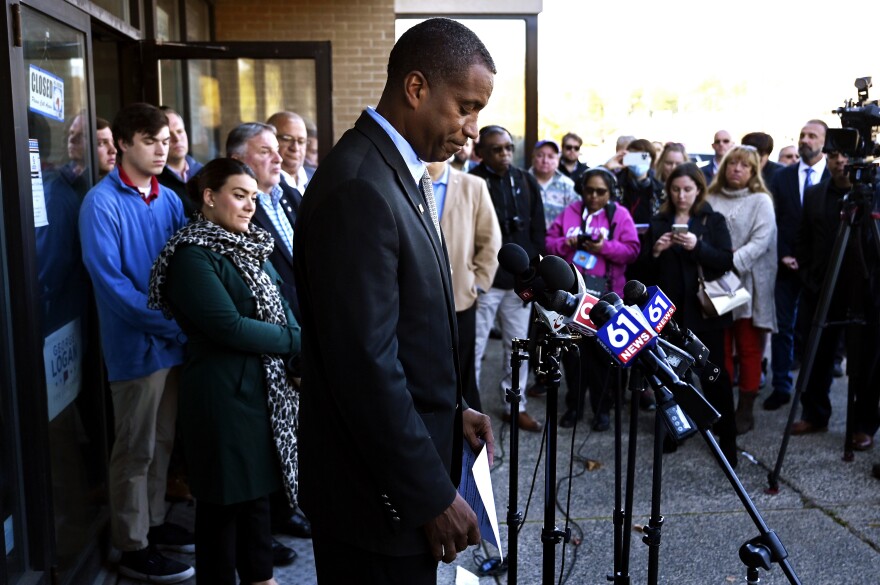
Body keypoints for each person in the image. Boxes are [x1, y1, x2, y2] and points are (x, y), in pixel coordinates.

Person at [292, 18, 496, 583]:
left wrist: (453, 414)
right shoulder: (360, 184)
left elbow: (406, 334)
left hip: (393, 489)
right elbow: (365, 367)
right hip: (376, 506)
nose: (473, 128)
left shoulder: (394, 171)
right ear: (415, 89)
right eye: (466, 106)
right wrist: (430, 495)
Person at [147, 158, 301, 585]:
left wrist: (295, 342)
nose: (250, 205)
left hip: (263, 393)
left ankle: (260, 578)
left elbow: (283, 303)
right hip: (222, 398)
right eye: (239, 195)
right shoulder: (190, 255)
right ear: (210, 198)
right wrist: (297, 342)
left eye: (253, 197)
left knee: (254, 500)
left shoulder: (251, 245)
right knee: (222, 506)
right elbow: (228, 327)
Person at [78, 103, 194, 582]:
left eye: (165, 140)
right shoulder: (100, 204)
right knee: (134, 448)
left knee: (162, 441)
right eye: (150, 141)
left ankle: (154, 523)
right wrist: (174, 322)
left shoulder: (168, 199)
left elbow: (181, 269)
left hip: (172, 346)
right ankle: (130, 546)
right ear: (124, 144)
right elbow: (113, 286)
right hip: (135, 349)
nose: (160, 149)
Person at [226, 122, 309, 557]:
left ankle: (285, 510)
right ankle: (261, 536)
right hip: (269, 342)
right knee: (262, 439)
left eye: (279, 150)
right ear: (240, 160)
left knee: (287, 431)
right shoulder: (234, 217)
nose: (279, 158)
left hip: (296, 338)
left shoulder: (288, 199)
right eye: (266, 151)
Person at [648, 163, 737, 466]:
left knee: (714, 376)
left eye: (687, 189)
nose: (681, 195)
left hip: (704, 311)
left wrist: (698, 246)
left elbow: (725, 260)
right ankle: (676, 432)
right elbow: (642, 273)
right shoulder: (660, 221)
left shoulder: (711, 220)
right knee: (672, 375)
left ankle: (727, 438)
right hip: (668, 314)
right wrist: (657, 252)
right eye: (675, 190)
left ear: (698, 189)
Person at [791, 150, 880, 449]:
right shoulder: (815, 194)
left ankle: (864, 425)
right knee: (816, 355)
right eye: (835, 156)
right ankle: (814, 414)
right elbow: (803, 238)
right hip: (822, 287)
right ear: (827, 160)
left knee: (866, 360)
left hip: (865, 290)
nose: (841, 162)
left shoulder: (875, 195)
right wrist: (807, 275)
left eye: (847, 157)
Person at [545, 167, 640, 430]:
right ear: (581, 190)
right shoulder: (571, 211)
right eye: (589, 190)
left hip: (606, 299)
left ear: (610, 193)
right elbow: (550, 243)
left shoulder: (619, 215)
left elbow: (632, 250)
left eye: (601, 192)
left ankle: (602, 409)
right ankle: (574, 406)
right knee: (573, 357)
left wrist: (603, 247)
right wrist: (568, 242)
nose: (594, 196)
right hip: (574, 298)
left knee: (602, 359)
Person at [470, 124, 546, 432]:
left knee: (519, 349)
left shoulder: (525, 180)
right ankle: (469, 409)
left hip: (520, 283)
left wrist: (533, 269)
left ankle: (515, 407)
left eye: (508, 148)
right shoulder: (472, 181)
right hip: (485, 282)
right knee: (473, 349)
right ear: (481, 153)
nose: (504, 154)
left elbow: (537, 230)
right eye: (496, 149)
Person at [705, 145, 777, 434]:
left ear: (753, 171)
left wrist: (729, 262)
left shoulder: (761, 200)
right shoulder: (710, 197)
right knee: (719, 348)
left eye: (745, 165)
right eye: (732, 163)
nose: (737, 169)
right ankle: (720, 406)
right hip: (715, 282)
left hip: (746, 283)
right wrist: (716, 263)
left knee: (748, 348)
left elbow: (760, 242)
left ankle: (745, 408)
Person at [427, 159, 502, 412]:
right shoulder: (405, 182)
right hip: (416, 302)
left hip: (461, 299)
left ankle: (470, 444)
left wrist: (477, 285)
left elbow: (490, 242)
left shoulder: (474, 185)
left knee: (463, 375)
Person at [764, 120, 828, 411]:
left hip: (822, 268)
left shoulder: (835, 176)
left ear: (825, 142)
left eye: (812, 136)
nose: (805, 140)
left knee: (818, 330)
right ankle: (781, 386)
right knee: (782, 328)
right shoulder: (781, 177)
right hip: (786, 265)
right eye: (803, 135)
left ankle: (816, 391)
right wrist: (781, 254)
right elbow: (771, 221)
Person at [158, 107, 204, 218]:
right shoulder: (152, 181)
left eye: (180, 131)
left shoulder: (206, 173)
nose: (177, 138)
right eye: (169, 135)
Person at [529, 138, 578, 228]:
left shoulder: (567, 185)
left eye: (551, 157)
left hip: (557, 240)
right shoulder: (522, 181)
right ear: (533, 157)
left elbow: (575, 216)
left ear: (558, 160)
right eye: (540, 155)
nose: (545, 161)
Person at [266, 111, 314, 193]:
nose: (295, 148)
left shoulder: (317, 176)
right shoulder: (265, 183)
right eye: (287, 139)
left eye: (301, 141)